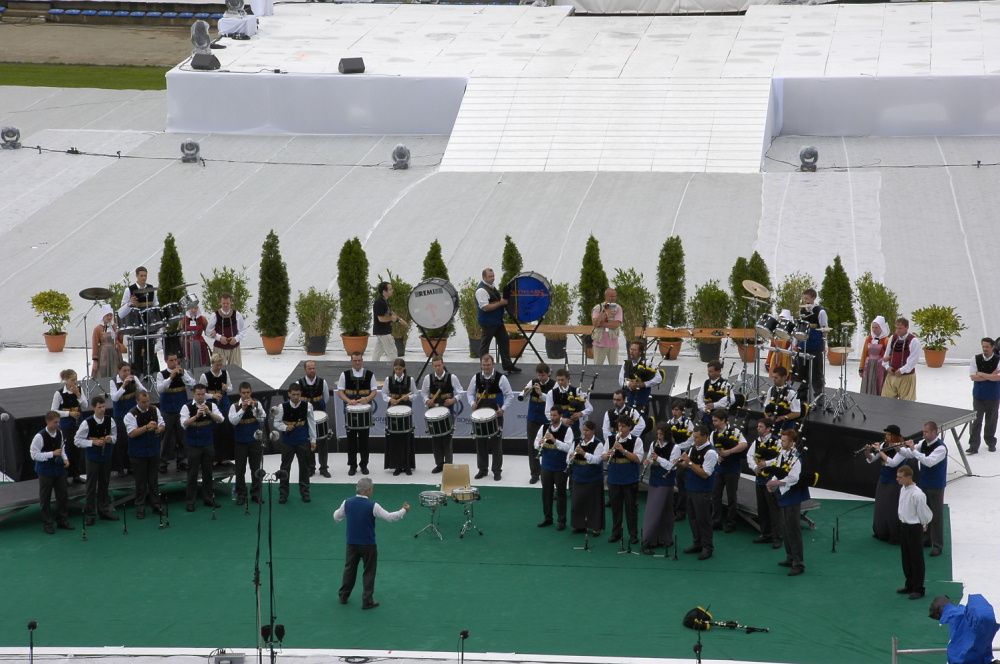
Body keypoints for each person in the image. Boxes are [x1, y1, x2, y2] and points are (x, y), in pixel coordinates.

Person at [334, 477, 410, 610]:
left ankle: (343, 596)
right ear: (368, 490)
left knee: (349, 570)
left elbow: (337, 516)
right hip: (368, 544)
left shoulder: (347, 502)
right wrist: (404, 510)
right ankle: (367, 601)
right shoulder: (373, 506)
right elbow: (390, 517)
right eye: (372, 489)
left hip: (351, 543)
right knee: (369, 572)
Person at [898, 421, 946, 556]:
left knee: (936, 515)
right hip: (924, 483)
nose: (923, 434)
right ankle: (926, 539)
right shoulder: (923, 444)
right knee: (923, 511)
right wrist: (898, 449)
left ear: (934, 432)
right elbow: (909, 453)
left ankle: (937, 545)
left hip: (936, 485)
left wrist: (913, 450)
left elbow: (928, 462)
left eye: (926, 432)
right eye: (923, 431)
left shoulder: (941, 448)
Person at [764, 429, 808, 576]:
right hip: (783, 495)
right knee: (785, 527)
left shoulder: (795, 457)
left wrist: (777, 482)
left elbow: (794, 478)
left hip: (792, 496)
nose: (780, 442)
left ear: (791, 442)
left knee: (793, 529)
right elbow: (779, 468)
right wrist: (773, 483)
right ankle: (790, 557)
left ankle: (798, 563)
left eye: (783, 441)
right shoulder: (783, 454)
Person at [467, 354, 514, 481]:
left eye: (488, 365)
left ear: (493, 364)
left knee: (496, 443)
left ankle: (497, 470)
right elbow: (470, 393)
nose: (486, 367)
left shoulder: (501, 378)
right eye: (483, 365)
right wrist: (472, 403)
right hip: (480, 414)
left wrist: (503, 409)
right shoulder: (476, 378)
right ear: (481, 365)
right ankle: (482, 469)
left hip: (496, 414)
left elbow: (509, 395)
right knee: (480, 442)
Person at [180, 384, 225, 512]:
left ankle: (208, 499)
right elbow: (183, 424)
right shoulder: (186, 407)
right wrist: (196, 416)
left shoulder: (211, 406)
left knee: (208, 472)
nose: (201, 397)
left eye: (203, 394)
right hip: (193, 445)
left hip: (207, 444)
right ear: (193, 394)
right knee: (192, 474)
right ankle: (190, 501)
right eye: (198, 394)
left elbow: (221, 419)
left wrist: (209, 413)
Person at [74, 396, 118, 525]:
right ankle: (91, 513)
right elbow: (77, 440)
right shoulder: (87, 423)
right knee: (91, 486)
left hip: (106, 456)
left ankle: (104, 510)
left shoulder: (110, 420)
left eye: (104, 407)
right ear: (94, 407)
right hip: (93, 458)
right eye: (99, 407)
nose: (102, 410)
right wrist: (93, 442)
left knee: (104, 483)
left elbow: (115, 435)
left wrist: (111, 439)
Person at [123, 390, 166, 519]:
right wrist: (147, 427)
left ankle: (156, 505)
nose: (146, 404)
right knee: (140, 482)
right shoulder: (130, 415)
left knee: (153, 480)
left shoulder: (154, 410)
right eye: (143, 402)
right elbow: (131, 433)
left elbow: (163, 424)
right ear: (137, 401)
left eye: (147, 401)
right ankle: (140, 508)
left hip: (153, 451)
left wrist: (159, 429)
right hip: (138, 454)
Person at [677, 424, 718, 560]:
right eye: (693, 437)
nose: (694, 440)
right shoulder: (693, 448)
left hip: (702, 491)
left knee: (703, 519)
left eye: (697, 437)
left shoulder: (710, 452)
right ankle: (697, 543)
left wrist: (688, 463)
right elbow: (687, 465)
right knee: (693, 518)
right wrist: (679, 462)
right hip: (691, 488)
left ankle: (707, 547)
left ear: (705, 437)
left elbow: (705, 474)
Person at [30, 411, 74, 534]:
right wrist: (51, 454)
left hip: (59, 469)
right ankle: (47, 523)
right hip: (45, 471)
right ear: (48, 421)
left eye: (58, 422)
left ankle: (62, 520)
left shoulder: (59, 432)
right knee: (46, 497)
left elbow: (62, 448)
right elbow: (34, 455)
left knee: (63, 495)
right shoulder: (40, 437)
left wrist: (65, 458)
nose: (57, 424)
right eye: (55, 422)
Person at [641, 422, 681, 555]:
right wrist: (648, 461)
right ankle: (662, 538)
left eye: (661, 434)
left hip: (666, 482)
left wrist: (658, 458)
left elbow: (672, 466)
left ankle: (647, 539)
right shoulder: (654, 444)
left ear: (667, 435)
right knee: (665, 510)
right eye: (657, 434)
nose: (658, 436)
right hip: (654, 480)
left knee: (655, 510)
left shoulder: (675, 447)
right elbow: (651, 459)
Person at [602, 416, 643, 546]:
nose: (621, 428)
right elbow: (602, 456)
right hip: (614, 478)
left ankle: (633, 534)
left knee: (631, 508)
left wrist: (623, 450)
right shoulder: (610, 439)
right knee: (616, 508)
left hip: (630, 479)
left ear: (630, 427)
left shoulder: (636, 440)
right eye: (619, 426)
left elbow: (638, 459)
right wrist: (608, 454)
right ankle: (616, 533)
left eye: (624, 426)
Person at [273, 383, 317, 503]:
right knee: (285, 467)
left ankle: (305, 493)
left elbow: (311, 423)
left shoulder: (308, 406)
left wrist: (313, 440)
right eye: (293, 394)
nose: (296, 397)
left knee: (304, 468)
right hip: (288, 442)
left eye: (298, 394)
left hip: (302, 440)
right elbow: (276, 423)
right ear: (289, 394)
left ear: (301, 394)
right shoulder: (282, 407)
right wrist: (285, 427)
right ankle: (283, 494)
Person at [420, 356, 464, 474]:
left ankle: (448, 464)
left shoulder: (452, 377)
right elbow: (423, 393)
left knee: (447, 438)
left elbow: (460, 392)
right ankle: (439, 463)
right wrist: (427, 401)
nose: (438, 368)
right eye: (435, 366)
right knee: (436, 438)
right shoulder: (428, 378)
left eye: (439, 365)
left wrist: (453, 400)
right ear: (433, 366)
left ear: (443, 364)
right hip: (433, 412)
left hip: (448, 411)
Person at [865, 424, 907, 544]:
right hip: (883, 479)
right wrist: (867, 452)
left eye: (889, 435)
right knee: (880, 506)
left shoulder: (901, 449)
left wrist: (879, 450)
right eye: (886, 434)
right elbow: (871, 459)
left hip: (894, 482)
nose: (886, 437)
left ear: (895, 436)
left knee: (891, 509)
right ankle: (881, 532)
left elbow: (892, 463)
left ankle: (894, 535)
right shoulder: (884, 445)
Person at [896, 465, 932, 600]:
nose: (897, 479)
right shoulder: (903, 489)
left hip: (914, 527)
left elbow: (924, 511)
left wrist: (924, 523)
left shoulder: (918, 494)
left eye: (900, 477)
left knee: (916, 559)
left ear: (908, 477)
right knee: (906, 557)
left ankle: (919, 588)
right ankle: (909, 584)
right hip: (904, 526)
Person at [338, 352, 377, 476]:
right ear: (351, 361)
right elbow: (340, 392)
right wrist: (349, 401)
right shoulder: (344, 375)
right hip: (351, 412)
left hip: (364, 412)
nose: (357, 362)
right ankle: (352, 465)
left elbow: (374, 391)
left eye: (359, 360)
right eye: (355, 360)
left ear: (362, 360)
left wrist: (368, 398)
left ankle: (364, 464)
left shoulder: (370, 374)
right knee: (351, 440)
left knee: (364, 439)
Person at [534, 407, 573, 530]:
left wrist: (554, 440)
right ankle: (547, 518)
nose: (552, 418)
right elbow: (535, 443)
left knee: (561, 495)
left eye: (555, 415)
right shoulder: (544, 427)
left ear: (561, 416)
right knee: (546, 493)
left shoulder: (568, 430)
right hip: (546, 466)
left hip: (560, 467)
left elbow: (568, 448)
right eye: (551, 415)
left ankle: (562, 520)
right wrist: (539, 444)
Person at [117, 266, 159, 377]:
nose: (144, 278)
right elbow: (122, 308)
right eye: (141, 276)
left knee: (150, 348)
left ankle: (148, 372)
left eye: (145, 275)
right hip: (136, 323)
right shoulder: (129, 289)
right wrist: (130, 303)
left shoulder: (151, 289)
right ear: (136, 276)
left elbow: (156, 304)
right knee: (136, 348)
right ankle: (136, 372)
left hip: (149, 323)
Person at [157, 351, 195, 473]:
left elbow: (193, 385)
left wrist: (183, 375)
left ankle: (182, 460)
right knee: (166, 437)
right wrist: (171, 377)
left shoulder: (183, 373)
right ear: (167, 361)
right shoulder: (161, 374)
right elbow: (160, 389)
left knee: (181, 436)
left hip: (181, 409)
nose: (175, 363)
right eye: (171, 360)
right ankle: (163, 462)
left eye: (176, 360)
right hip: (167, 410)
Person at [709, 408, 747, 533]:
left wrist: (729, 452)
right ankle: (716, 521)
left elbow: (744, 444)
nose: (714, 423)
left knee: (731, 496)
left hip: (732, 469)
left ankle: (731, 523)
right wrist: (717, 455)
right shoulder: (713, 434)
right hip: (719, 469)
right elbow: (711, 448)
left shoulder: (735, 432)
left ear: (724, 420)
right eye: (713, 420)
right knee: (716, 496)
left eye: (716, 421)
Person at [476, 268, 520, 373]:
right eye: (490, 277)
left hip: (497, 321)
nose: (492, 278)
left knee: (504, 342)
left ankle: (508, 365)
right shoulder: (481, 290)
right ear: (484, 277)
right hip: (488, 322)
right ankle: (484, 367)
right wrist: (502, 302)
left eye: (493, 276)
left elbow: (493, 298)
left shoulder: (490, 287)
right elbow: (485, 307)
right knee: (485, 345)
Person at [229, 382, 266, 505]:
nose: (246, 395)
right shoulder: (234, 406)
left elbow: (262, 419)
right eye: (244, 393)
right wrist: (243, 409)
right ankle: (241, 494)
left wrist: (254, 408)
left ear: (251, 392)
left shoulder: (257, 404)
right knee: (240, 470)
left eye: (248, 393)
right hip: (240, 443)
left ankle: (256, 494)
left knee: (256, 468)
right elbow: (233, 421)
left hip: (254, 441)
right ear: (240, 393)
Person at [748, 417, 783, 549]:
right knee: (762, 509)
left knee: (774, 510)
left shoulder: (777, 441)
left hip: (771, 480)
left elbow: (780, 457)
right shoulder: (756, 442)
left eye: (761, 426)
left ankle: (778, 536)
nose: (758, 429)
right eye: (758, 426)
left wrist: (766, 464)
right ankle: (766, 534)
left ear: (768, 428)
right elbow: (749, 456)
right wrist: (755, 467)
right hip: (760, 480)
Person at [520, 363, 555, 484]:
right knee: (532, 446)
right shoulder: (533, 382)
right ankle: (535, 473)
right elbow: (522, 398)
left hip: (546, 420)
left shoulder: (553, 385)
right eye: (539, 375)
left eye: (543, 375)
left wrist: (541, 394)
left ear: (548, 374)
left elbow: (553, 400)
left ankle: (548, 471)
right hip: (533, 419)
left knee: (548, 446)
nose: (541, 378)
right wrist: (525, 393)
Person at [569, 420, 606, 536]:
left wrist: (584, 453)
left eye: (587, 430)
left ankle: (596, 526)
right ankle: (579, 525)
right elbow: (568, 457)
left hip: (593, 478)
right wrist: (571, 457)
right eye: (583, 430)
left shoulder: (598, 443)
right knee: (577, 502)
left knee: (593, 504)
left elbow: (597, 460)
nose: (584, 432)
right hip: (578, 476)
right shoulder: (576, 441)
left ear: (593, 431)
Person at [52, 368, 89, 483]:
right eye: (72, 380)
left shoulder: (79, 390)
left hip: (78, 424)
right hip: (67, 425)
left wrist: (78, 394)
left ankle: (76, 474)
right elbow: (54, 410)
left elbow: (86, 405)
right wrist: (69, 413)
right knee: (67, 450)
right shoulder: (59, 393)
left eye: (76, 380)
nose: (75, 382)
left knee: (77, 450)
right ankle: (65, 476)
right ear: (66, 380)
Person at [381, 358, 416, 476]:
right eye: (396, 369)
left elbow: (415, 393)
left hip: (406, 410)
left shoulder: (409, 379)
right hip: (393, 410)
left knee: (406, 436)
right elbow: (384, 393)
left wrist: (409, 398)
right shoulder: (389, 380)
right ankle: (396, 465)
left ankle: (407, 465)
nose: (398, 371)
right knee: (395, 438)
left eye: (400, 369)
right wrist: (390, 399)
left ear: (404, 368)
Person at [110, 360, 145, 477]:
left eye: (128, 370)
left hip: (132, 414)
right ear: (118, 371)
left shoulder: (134, 378)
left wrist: (136, 384)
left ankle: (131, 466)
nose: (127, 373)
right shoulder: (113, 382)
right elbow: (114, 398)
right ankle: (120, 468)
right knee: (121, 443)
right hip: (119, 416)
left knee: (132, 441)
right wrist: (124, 385)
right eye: (124, 371)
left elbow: (143, 392)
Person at [300, 360, 334, 477]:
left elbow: (326, 398)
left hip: (320, 417)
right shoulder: (299, 383)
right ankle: (311, 467)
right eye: (309, 368)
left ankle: (324, 467)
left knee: (323, 442)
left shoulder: (322, 382)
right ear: (305, 370)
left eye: (313, 368)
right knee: (309, 442)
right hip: (306, 418)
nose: (312, 370)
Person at [968, 337, 1000, 454]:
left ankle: (990, 442)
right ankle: (973, 445)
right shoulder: (975, 359)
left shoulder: (998, 360)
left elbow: (997, 377)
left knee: (991, 420)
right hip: (979, 395)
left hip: (993, 395)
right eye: (983, 346)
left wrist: (981, 374)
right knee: (976, 420)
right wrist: (990, 375)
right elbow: (973, 377)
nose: (985, 349)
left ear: (993, 347)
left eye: (987, 347)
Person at [200, 352, 234, 465]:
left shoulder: (225, 373)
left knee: (224, 430)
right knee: (214, 431)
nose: (219, 367)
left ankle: (224, 456)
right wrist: (212, 396)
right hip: (211, 404)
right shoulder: (205, 376)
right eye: (217, 365)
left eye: (220, 365)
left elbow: (231, 388)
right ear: (212, 363)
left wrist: (226, 388)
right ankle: (213, 457)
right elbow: (201, 393)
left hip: (223, 403)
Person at [619, 340, 661, 428]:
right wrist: (628, 384)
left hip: (642, 400)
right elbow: (621, 380)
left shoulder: (647, 363)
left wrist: (645, 384)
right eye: (631, 349)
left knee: (640, 424)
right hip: (629, 399)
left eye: (634, 350)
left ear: (640, 352)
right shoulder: (626, 363)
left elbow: (658, 378)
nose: (632, 352)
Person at [795, 288, 827, 400]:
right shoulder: (802, 311)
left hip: (815, 345)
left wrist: (822, 340)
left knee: (816, 374)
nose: (805, 301)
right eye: (804, 298)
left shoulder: (820, 311)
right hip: (804, 345)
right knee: (802, 372)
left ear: (814, 298)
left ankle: (819, 397)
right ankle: (803, 396)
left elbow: (824, 328)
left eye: (807, 298)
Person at [545, 367, 592, 441]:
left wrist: (580, 413)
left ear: (568, 379)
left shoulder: (576, 391)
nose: (560, 382)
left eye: (562, 380)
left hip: (574, 428)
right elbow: (548, 413)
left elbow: (590, 408)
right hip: (557, 429)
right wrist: (561, 420)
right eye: (558, 380)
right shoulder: (551, 393)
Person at [666, 399, 694, 522]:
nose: (674, 412)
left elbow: (691, 440)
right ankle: (671, 509)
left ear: (682, 411)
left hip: (682, 455)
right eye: (673, 409)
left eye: (677, 410)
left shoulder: (688, 423)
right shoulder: (669, 423)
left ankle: (681, 511)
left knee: (682, 485)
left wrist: (677, 447)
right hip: (671, 456)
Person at [882, 317, 921, 401]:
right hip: (891, 375)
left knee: (906, 403)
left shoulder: (913, 341)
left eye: (900, 328)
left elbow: (913, 360)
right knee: (887, 401)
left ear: (907, 328)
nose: (898, 330)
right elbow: (886, 355)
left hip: (906, 377)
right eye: (896, 328)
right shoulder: (893, 338)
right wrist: (887, 367)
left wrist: (902, 370)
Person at [205, 293, 246, 367]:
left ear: (231, 302)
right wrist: (219, 338)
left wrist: (236, 339)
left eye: (227, 303)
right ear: (220, 302)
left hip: (234, 347)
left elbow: (243, 331)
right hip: (219, 348)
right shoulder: (215, 315)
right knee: (218, 371)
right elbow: (208, 332)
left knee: (236, 370)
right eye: (224, 303)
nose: (226, 305)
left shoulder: (237, 314)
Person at [372, 281, 407, 362]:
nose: (392, 290)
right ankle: (397, 369)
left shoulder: (385, 300)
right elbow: (381, 319)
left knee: (377, 353)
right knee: (392, 352)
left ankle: (373, 367)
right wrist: (391, 319)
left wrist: (400, 320)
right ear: (384, 291)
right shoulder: (379, 303)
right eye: (390, 289)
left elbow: (390, 312)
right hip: (383, 332)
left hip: (382, 332)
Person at [858, 316, 890, 395]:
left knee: (879, 383)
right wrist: (861, 368)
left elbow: (889, 354)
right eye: (873, 327)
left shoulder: (886, 340)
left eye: (876, 327)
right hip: (868, 365)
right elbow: (864, 353)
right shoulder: (868, 338)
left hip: (880, 367)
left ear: (881, 328)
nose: (874, 329)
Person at [591, 288, 623, 366]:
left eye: (615, 296)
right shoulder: (598, 308)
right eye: (611, 296)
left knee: (614, 366)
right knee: (597, 365)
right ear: (606, 296)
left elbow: (615, 325)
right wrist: (603, 311)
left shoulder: (618, 308)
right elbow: (595, 323)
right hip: (599, 342)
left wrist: (600, 323)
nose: (613, 298)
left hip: (613, 342)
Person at [91, 304, 122, 379]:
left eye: (110, 315)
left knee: (115, 371)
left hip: (115, 353)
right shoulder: (98, 329)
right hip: (104, 354)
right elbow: (95, 344)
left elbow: (120, 339)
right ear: (103, 316)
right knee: (103, 372)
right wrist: (95, 359)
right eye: (107, 315)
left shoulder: (114, 326)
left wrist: (120, 331)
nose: (109, 317)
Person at [696, 360, 733, 424]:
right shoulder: (706, 383)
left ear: (718, 371)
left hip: (720, 419)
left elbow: (731, 399)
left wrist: (714, 405)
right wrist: (704, 408)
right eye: (708, 371)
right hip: (706, 417)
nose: (708, 373)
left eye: (711, 371)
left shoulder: (725, 384)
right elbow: (700, 397)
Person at [765, 310, 794, 378]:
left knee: (784, 375)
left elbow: (794, 347)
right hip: (775, 357)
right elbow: (772, 347)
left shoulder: (791, 333)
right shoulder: (776, 333)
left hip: (786, 357)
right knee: (773, 375)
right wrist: (768, 361)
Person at [181, 302, 211, 370]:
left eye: (195, 308)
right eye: (191, 308)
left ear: (198, 308)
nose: (193, 310)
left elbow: (208, 332)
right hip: (187, 345)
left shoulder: (202, 319)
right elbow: (180, 334)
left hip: (200, 345)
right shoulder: (184, 320)